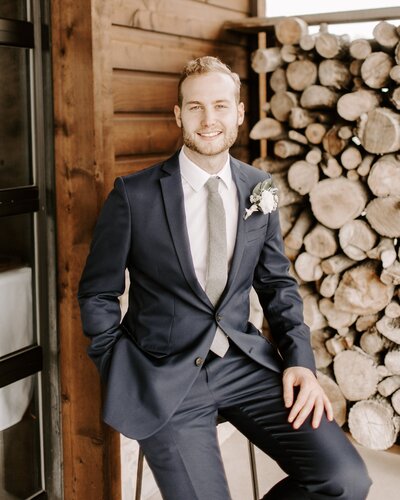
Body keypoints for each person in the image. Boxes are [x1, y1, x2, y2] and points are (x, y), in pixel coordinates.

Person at [78, 56, 371, 500]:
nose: (208, 119)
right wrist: (118, 366)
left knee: (345, 481)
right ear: (178, 115)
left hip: (245, 365)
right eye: (195, 107)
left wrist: (300, 363)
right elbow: (98, 292)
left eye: (220, 105)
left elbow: (277, 286)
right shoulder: (133, 195)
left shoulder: (259, 187)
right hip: (163, 379)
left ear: (238, 113)